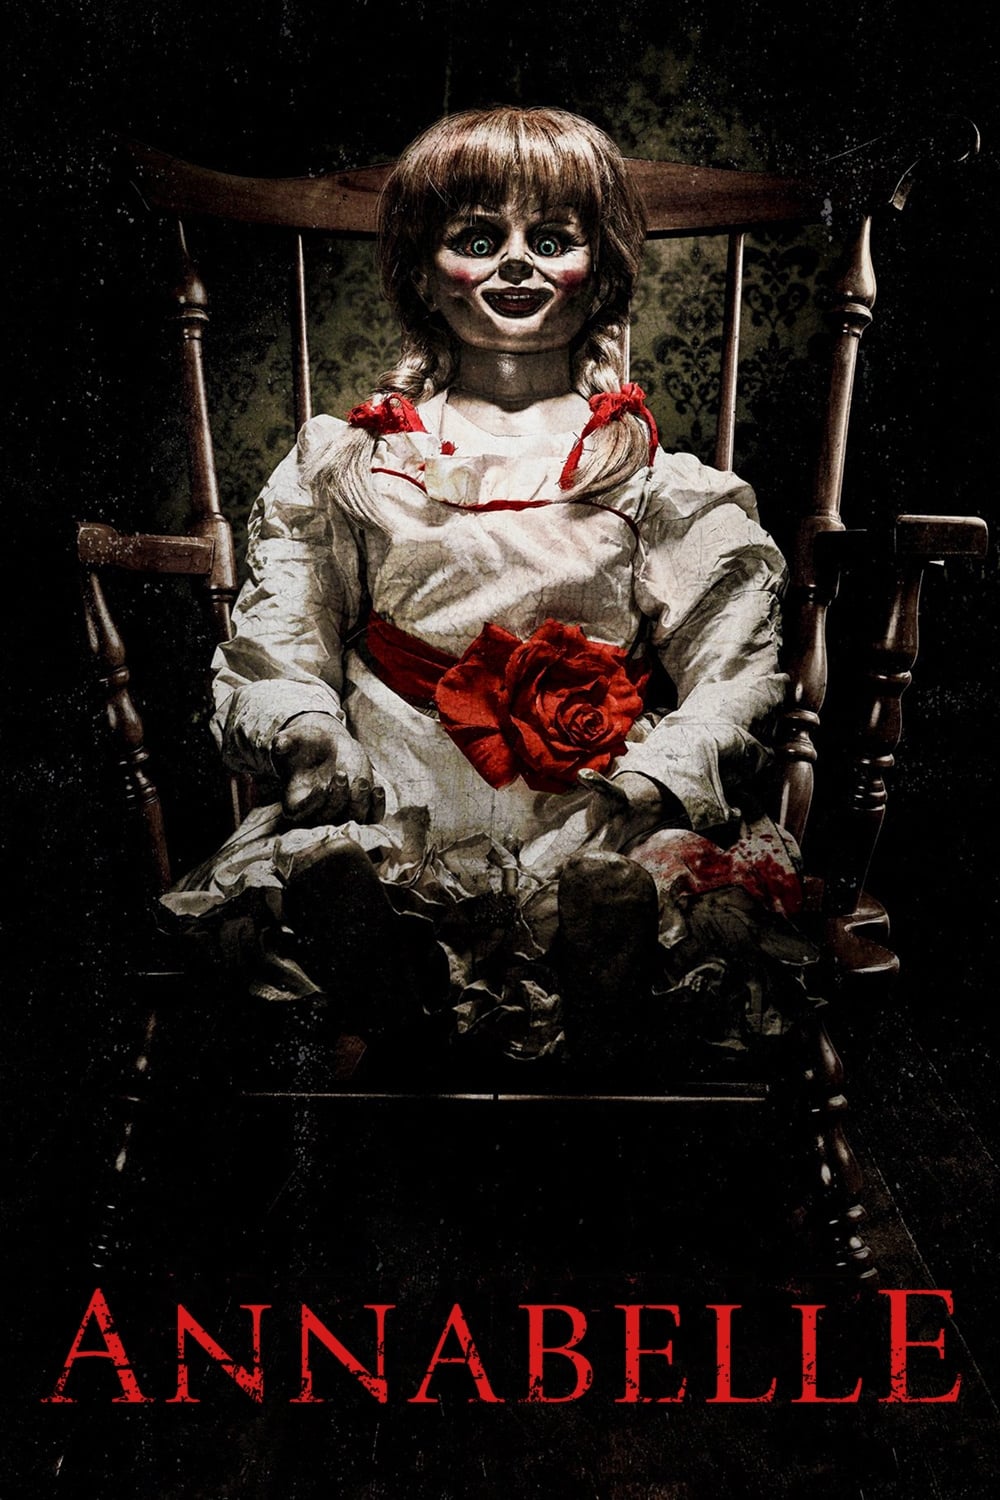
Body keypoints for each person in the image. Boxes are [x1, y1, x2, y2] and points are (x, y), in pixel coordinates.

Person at [163, 106, 812, 1073]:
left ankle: (603, 974)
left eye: (551, 241)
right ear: (422, 276)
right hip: (396, 789)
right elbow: (284, 627)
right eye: (476, 240)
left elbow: (736, 664)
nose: (515, 263)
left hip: (590, 803)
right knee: (323, 873)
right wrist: (305, 726)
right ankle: (390, 983)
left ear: (603, 274)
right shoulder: (355, 464)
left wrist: (661, 776)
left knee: (643, 885)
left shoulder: (650, 480)